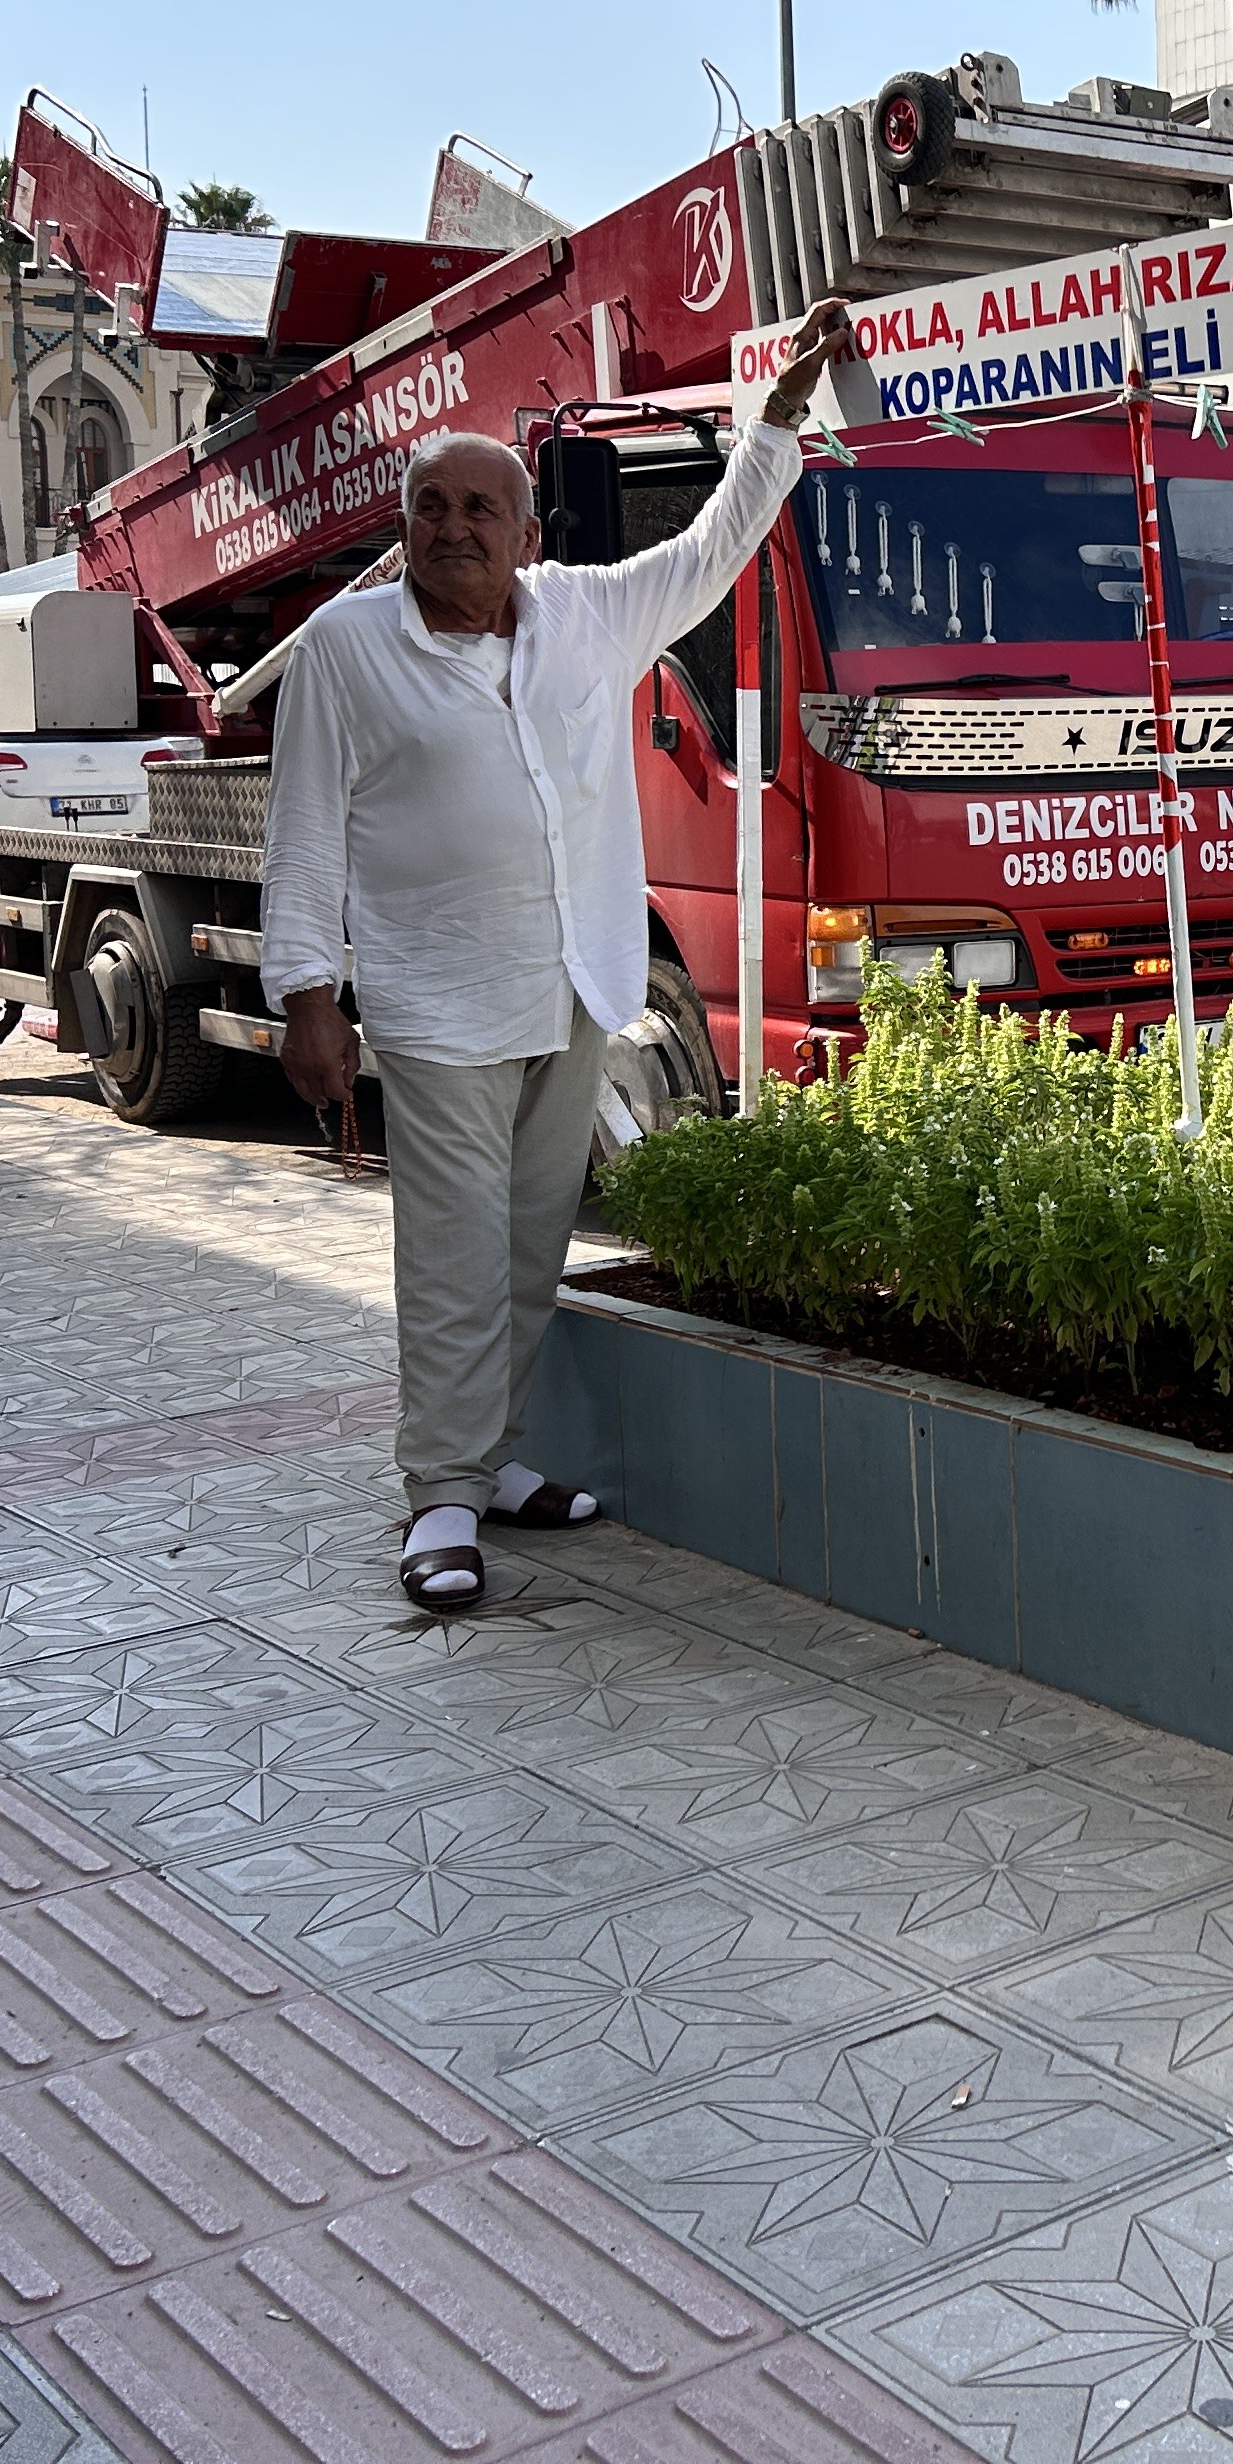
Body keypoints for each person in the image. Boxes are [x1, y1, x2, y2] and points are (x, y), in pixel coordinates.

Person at [262, 302, 852, 1608]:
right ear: (405, 527)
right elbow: (300, 835)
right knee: (453, 1256)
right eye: (434, 508)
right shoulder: (346, 652)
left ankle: (499, 1460)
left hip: (572, 988)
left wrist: (778, 418)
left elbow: (715, 548)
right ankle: (440, 1498)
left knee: (532, 1249)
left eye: (483, 509)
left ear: (529, 537)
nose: (457, 528)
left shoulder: (591, 615)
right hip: (433, 1004)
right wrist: (308, 1001)